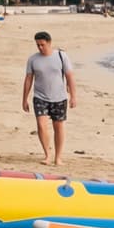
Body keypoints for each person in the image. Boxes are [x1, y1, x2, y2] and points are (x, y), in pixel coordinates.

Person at [19, 30, 76, 168]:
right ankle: (47, 155)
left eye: (42, 45)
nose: (40, 47)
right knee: (41, 125)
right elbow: (28, 79)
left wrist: (73, 96)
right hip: (40, 97)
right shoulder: (33, 59)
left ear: (49, 43)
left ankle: (58, 157)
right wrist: (24, 99)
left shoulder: (62, 56)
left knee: (58, 127)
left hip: (59, 97)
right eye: (37, 45)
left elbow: (69, 76)